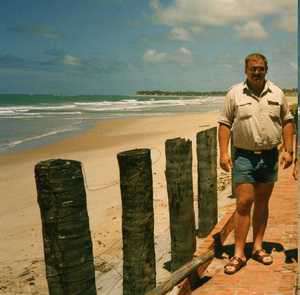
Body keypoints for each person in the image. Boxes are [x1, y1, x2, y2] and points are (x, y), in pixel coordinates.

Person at [218, 53, 294, 275]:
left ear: (266, 69)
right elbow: (224, 123)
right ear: (246, 69)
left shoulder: (278, 93)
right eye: (253, 68)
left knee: (262, 202)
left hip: (269, 156)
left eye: (261, 68)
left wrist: (288, 150)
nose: (257, 71)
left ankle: (258, 248)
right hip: (244, 156)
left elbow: (288, 122)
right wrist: (223, 153)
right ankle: (239, 253)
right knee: (243, 203)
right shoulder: (234, 93)